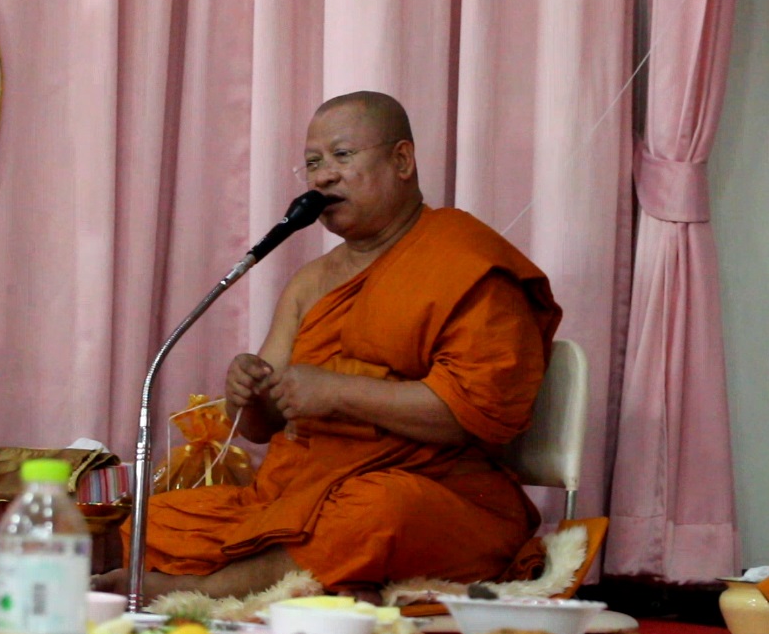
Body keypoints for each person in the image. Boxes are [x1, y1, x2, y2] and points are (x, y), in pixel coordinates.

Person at [94, 91, 562, 603]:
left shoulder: (466, 262)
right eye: (313, 164)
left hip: (436, 496)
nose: (322, 178)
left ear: (401, 160)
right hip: (298, 496)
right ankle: (224, 583)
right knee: (154, 519)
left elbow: (476, 413)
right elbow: (256, 426)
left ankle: (199, 591)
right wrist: (245, 391)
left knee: (377, 511)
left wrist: (338, 393)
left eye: (342, 156)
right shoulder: (311, 282)